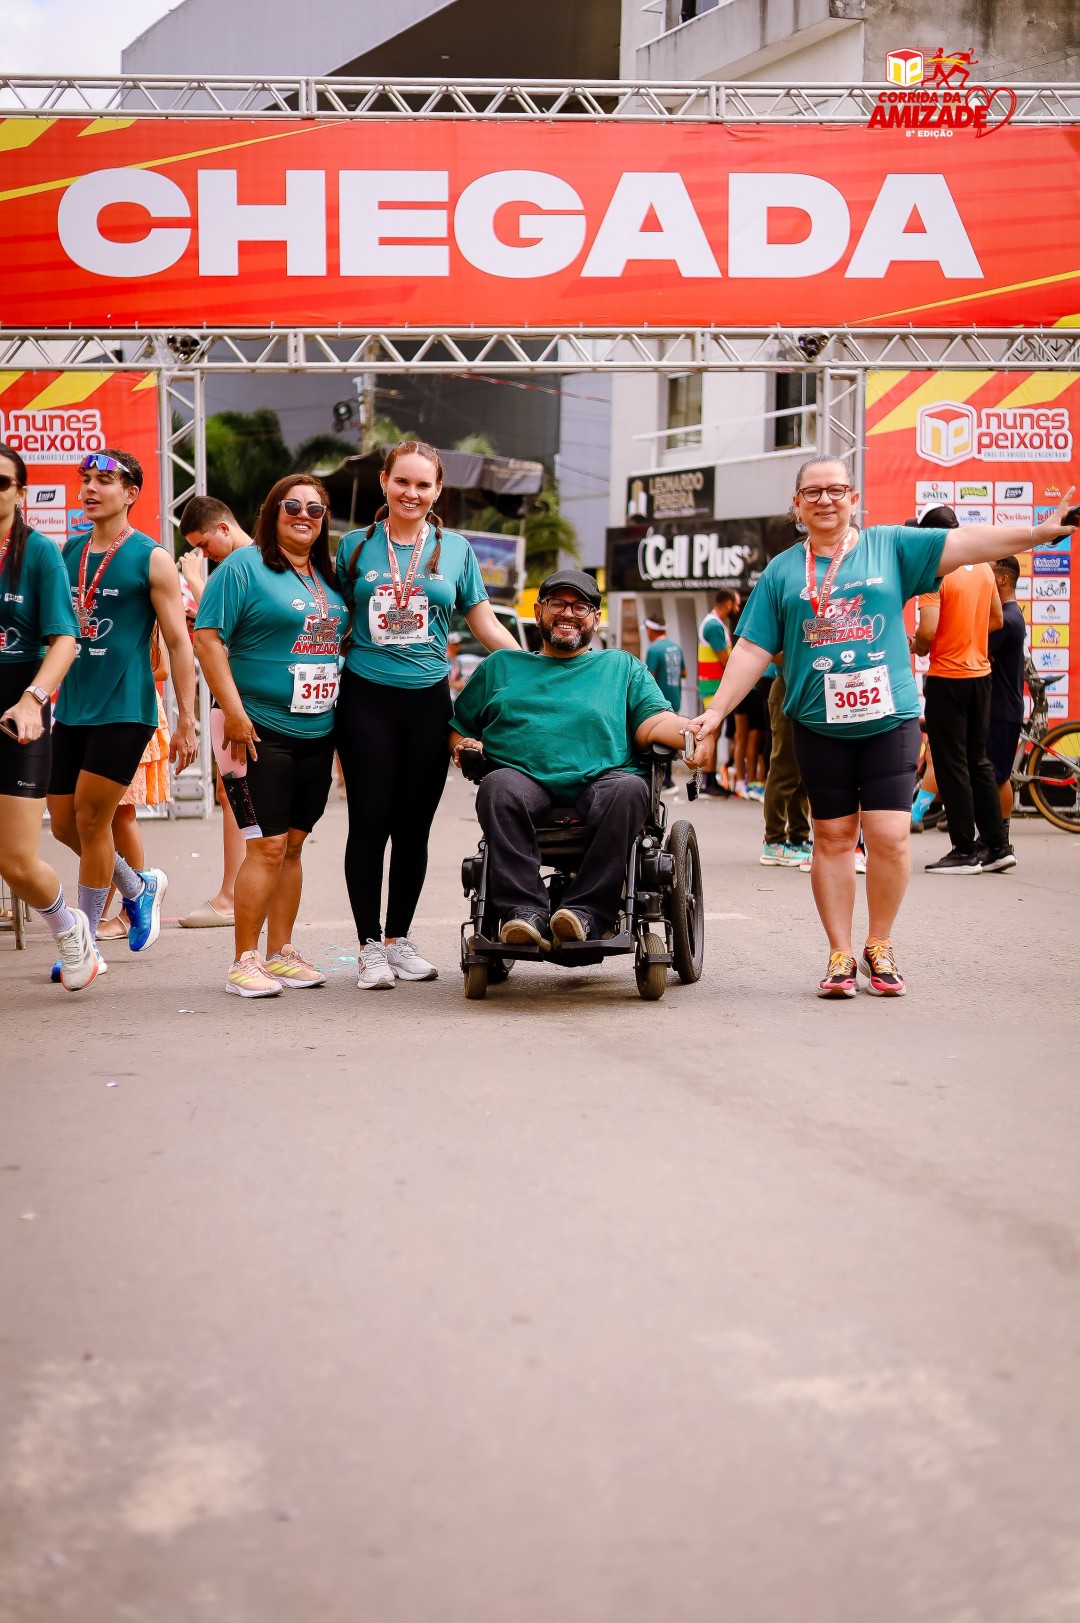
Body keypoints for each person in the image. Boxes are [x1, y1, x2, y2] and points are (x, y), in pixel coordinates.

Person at [692, 458, 1077, 999]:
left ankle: (880, 943)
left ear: (854, 499)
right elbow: (753, 648)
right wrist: (715, 714)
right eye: (812, 492)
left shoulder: (890, 547)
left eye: (836, 490)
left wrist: (1037, 533)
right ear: (797, 505)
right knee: (831, 838)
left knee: (890, 837)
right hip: (818, 724)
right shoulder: (781, 572)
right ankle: (840, 952)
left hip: (888, 720)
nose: (825, 500)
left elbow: (968, 544)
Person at [335, 440, 519, 990]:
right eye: (402, 481)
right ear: (384, 482)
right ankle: (368, 947)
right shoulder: (353, 546)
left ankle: (398, 940)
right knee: (370, 823)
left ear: (438, 490)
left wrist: (533, 669)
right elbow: (328, 615)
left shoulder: (455, 549)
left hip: (429, 703)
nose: (411, 493)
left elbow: (484, 623)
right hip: (366, 698)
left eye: (423, 485)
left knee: (414, 828)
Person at [450, 570, 696, 944]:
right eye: (558, 604)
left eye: (581, 606)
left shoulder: (621, 667)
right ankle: (524, 913)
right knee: (496, 788)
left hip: (603, 780)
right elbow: (459, 725)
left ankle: (586, 913)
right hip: (521, 779)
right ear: (538, 611)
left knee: (629, 789)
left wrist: (690, 734)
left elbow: (655, 720)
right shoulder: (501, 667)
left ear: (595, 617)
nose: (568, 613)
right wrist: (464, 744)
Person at [193, 473, 347, 997]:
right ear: (272, 512)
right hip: (254, 730)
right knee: (266, 845)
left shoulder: (328, 576)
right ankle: (244, 960)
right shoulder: (243, 566)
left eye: (315, 509)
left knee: (294, 845)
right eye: (292, 507)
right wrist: (234, 712)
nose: (304, 516)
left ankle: (281, 953)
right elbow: (207, 638)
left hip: (317, 728)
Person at [46, 450, 196, 974]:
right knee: (63, 823)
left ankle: (83, 945)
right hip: (72, 708)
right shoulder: (68, 551)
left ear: (131, 493)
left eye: (104, 481)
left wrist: (186, 719)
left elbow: (179, 643)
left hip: (127, 709)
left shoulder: (151, 557)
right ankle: (137, 886)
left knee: (93, 819)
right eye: (86, 479)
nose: (91, 488)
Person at [0, 442, 97, 989]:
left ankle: (68, 926)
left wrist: (33, 699)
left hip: (19, 708)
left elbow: (65, 639)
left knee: (14, 860)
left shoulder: (37, 553)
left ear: (20, 492)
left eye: (1, 482)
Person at [913, 506, 1012, 874]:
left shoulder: (935, 572)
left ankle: (965, 850)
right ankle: (998, 845)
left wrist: (921, 646)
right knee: (978, 760)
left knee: (951, 764)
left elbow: (927, 630)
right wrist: (966, 636)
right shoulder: (984, 567)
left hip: (948, 678)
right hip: (980, 675)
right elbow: (997, 619)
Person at [177, 495, 253, 928]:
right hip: (236, 690)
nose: (203, 554)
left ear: (224, 528)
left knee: (236, 791)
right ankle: (236, 892)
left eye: (204, 544)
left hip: (238, 690)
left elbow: (224, 630)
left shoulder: (240, 565)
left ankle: (233, 895)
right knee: (234, 791)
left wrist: (193, 580)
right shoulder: (251, 562)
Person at [986, 555, 1027, 844]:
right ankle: (996, 838)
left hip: (1002, 710)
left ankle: (1000, 841)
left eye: (988, 573)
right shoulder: (1005, 615)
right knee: (993, 775)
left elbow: (977, 651)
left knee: (998, 777)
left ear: (1002, 579)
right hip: (999, 707)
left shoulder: (1007, 619)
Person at [760, 659, 812, 867]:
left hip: (807, 686)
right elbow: (775, 654)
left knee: (802, 770)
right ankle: (774, 841)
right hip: (788, 687)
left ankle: (799, 837)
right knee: (784, 768)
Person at [696, 589, 738, 796]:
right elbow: (725, 659)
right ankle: (707, 780)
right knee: (713, 732)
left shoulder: (714, 623)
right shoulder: (714, 625)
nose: (737, 608)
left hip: (713, 685)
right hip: (714, 686)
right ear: (728, 603)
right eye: (736, 604)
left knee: (715, 732)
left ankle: (709, 779)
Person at [643, 617, 686, 787]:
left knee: (659, 741)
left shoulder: (654, 649)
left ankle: (663, 779)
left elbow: (649, 678)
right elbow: (684, 673)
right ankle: (669, 778)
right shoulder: (676, 647)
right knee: (672, 738)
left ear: (651, 630)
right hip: (675, 699)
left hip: (659, 702)